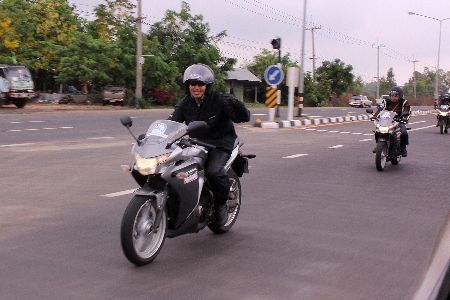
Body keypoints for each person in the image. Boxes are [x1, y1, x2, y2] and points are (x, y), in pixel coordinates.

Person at [168, 64, 250, 226]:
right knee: (173, 168)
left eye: (200, 84)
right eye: (192, 84)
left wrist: (236, 104)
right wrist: (155, 137)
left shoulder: (219, 100)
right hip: (194, 144)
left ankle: (221, 205)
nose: (196, 87)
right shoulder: (185, 103)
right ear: (187, 85)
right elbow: (171, 123)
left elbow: (244, 117)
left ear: (207, 86)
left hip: (220, 144)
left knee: (213, 171)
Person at [371, 86, 411, 157]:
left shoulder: (404, 102)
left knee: (404, 132)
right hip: (386, 120)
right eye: (392, 95)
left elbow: (407, 111)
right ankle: (378, 145)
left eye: (396, 96)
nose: (394, 97)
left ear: (400, 96)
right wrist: (374, 116)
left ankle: (403, 147)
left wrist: (404, 118)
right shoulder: (386, 101)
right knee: (378, 130)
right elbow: (380, 109)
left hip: (399, 120)